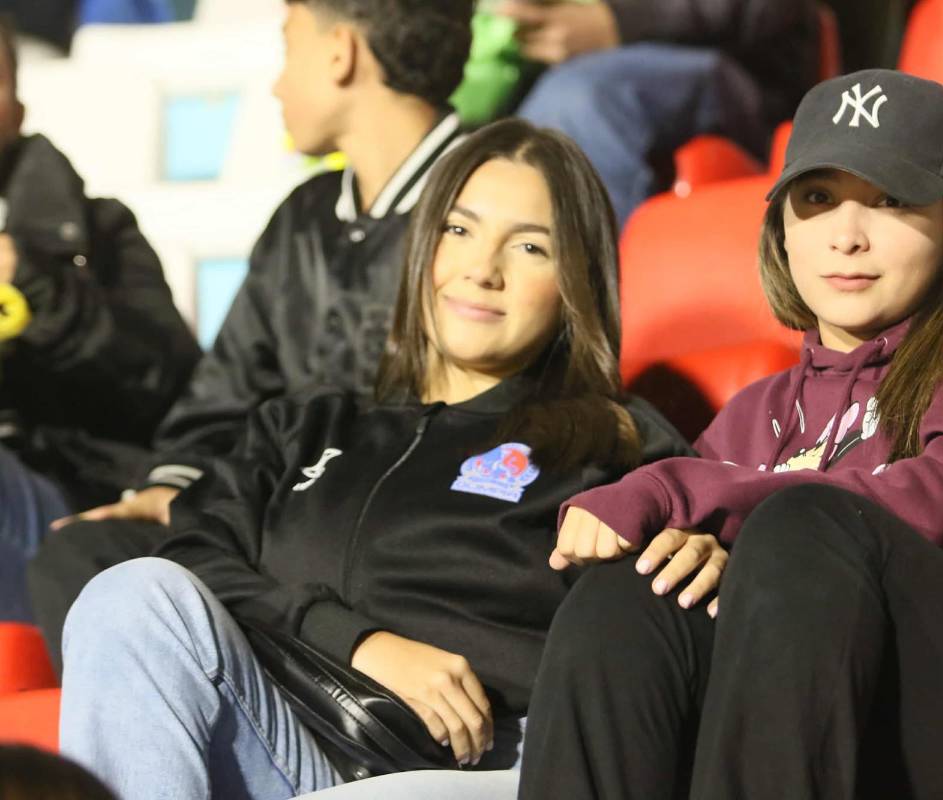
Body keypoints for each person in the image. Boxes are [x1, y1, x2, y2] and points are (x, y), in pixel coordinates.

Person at [517, 70, 943, 800]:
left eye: (891, 200)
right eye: (817, 200)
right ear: (781, 226)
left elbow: (936, 511)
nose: (846, 235)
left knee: (807, 530)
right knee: (630, 598)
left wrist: (677, 489)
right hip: (881, 744)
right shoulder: (755, 416)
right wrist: (693, 539)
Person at [57, 119, 711, 800]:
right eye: (459, 231)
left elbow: (659, 631)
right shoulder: (305, 425)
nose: (481, 271)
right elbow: (192, 553)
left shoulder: (613, 440)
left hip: (485, 772)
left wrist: (707, 543)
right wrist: (359, 643)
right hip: (285, 751)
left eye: (529, 246)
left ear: (575, 281)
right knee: (127, 596)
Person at [27, 0, 473, 668]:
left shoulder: (494, 203)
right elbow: (226, 392)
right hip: (271, 528)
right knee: (88, 557)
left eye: (288, 47)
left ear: (339, 52)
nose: (275, 83)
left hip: (396, 542)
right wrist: (170, 487)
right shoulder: (303, 217)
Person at [0, 15, 199, 621]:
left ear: (18, 105)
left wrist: (34, 282)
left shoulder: (100, 233)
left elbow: (166, 382)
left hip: (64, 500)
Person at [495, 0, 819, 226]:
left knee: (577, 102)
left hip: (731, 68)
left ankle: (588, 310)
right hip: (541, 70)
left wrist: (617, 21)